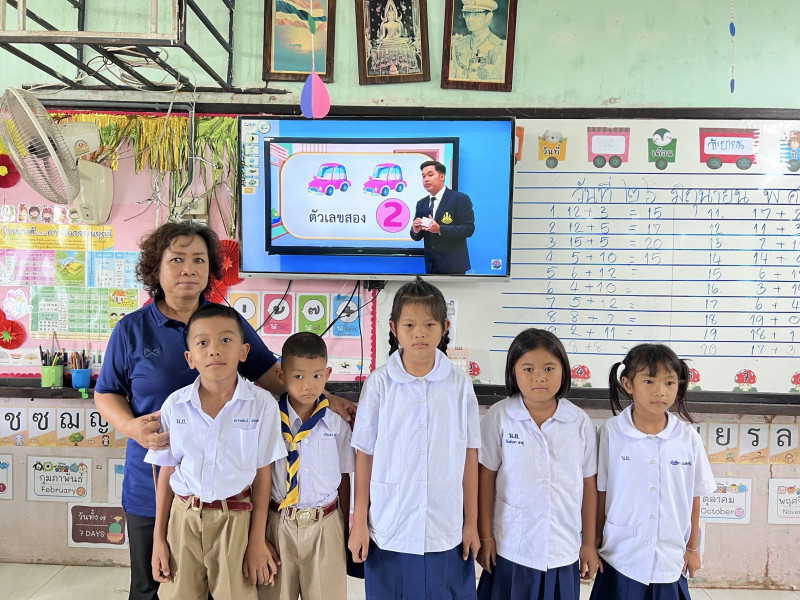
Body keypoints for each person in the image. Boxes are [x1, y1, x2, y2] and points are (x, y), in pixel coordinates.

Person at [93, 221, 355, 600]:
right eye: (177, 259)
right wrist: (131, 427)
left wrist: (328, 399)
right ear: (156, 268)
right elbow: (107, 393)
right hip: (154, 484)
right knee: (155, 587)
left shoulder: (227, 323)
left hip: (229, 497)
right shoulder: (131, 330)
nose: (189, 269)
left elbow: (274, 375)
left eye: (199, 260)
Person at [348, 277, 481, 599]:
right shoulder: (379, 384)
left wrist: (471, 523)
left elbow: (470, 454)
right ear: (394, 328)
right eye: (409, 325)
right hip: (390, 525)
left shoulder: (459, 384)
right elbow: (364, 454)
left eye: (429, 324)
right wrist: (359, 522)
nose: (419, 333)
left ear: (445, 327)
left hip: (445, 526)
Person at [145, 304, 286, 599]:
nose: (214, 350)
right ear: (190, 358)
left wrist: (257, 540)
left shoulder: (262, 405)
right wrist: (159, 538)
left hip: (236, 521)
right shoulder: (175, 405)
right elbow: (166, 471)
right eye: (202, 343)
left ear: (244, 351)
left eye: (225, 340)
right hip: (183, 519)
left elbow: (263, 475)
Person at [476, 328, 599, 600]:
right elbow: (485, 479)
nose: (539, 377)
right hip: (511, 548)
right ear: (513, 372)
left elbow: (589, 485)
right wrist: (486, 537)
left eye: (549, 368)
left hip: (562, 548)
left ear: (564, 370)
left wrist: (588, 544)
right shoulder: (499, 417)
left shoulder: (579, 422)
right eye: (528, 369)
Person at [590, 344, 716, 600]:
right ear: (628, 384)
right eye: (649, 381)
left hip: (670, 559)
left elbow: (694, 496)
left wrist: (692, 547)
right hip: (620, 556)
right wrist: (592, 543)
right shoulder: (611, 433)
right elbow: (601, 493)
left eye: (669, 383)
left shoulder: (687, 438)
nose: (660, 391)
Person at [261, 332, 354, 600]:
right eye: (298, 376)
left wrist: (343, 528)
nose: (308, 385)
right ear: (281, 376)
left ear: (327, 374)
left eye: (316, 376)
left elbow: (344, 477)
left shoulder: (336, 424)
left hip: (325, 523)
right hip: (278, 523)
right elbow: (259, 478)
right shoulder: (269, 420)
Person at [410, 160, 475, 274]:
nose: (426, 179)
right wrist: (416, 231)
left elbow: (468, 229)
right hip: (431, 266)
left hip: (454, 266)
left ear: (442, 176)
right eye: (423, 176)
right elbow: (417, 236)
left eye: (430, 175)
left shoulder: (460, 199)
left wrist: (440, 229)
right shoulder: (421, 203)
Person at [449, 0, 507, 82]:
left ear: (488, 17)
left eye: (476, 15)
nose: (470, 19)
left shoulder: (501, 48)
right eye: (467, 14)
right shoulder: (458, 45)